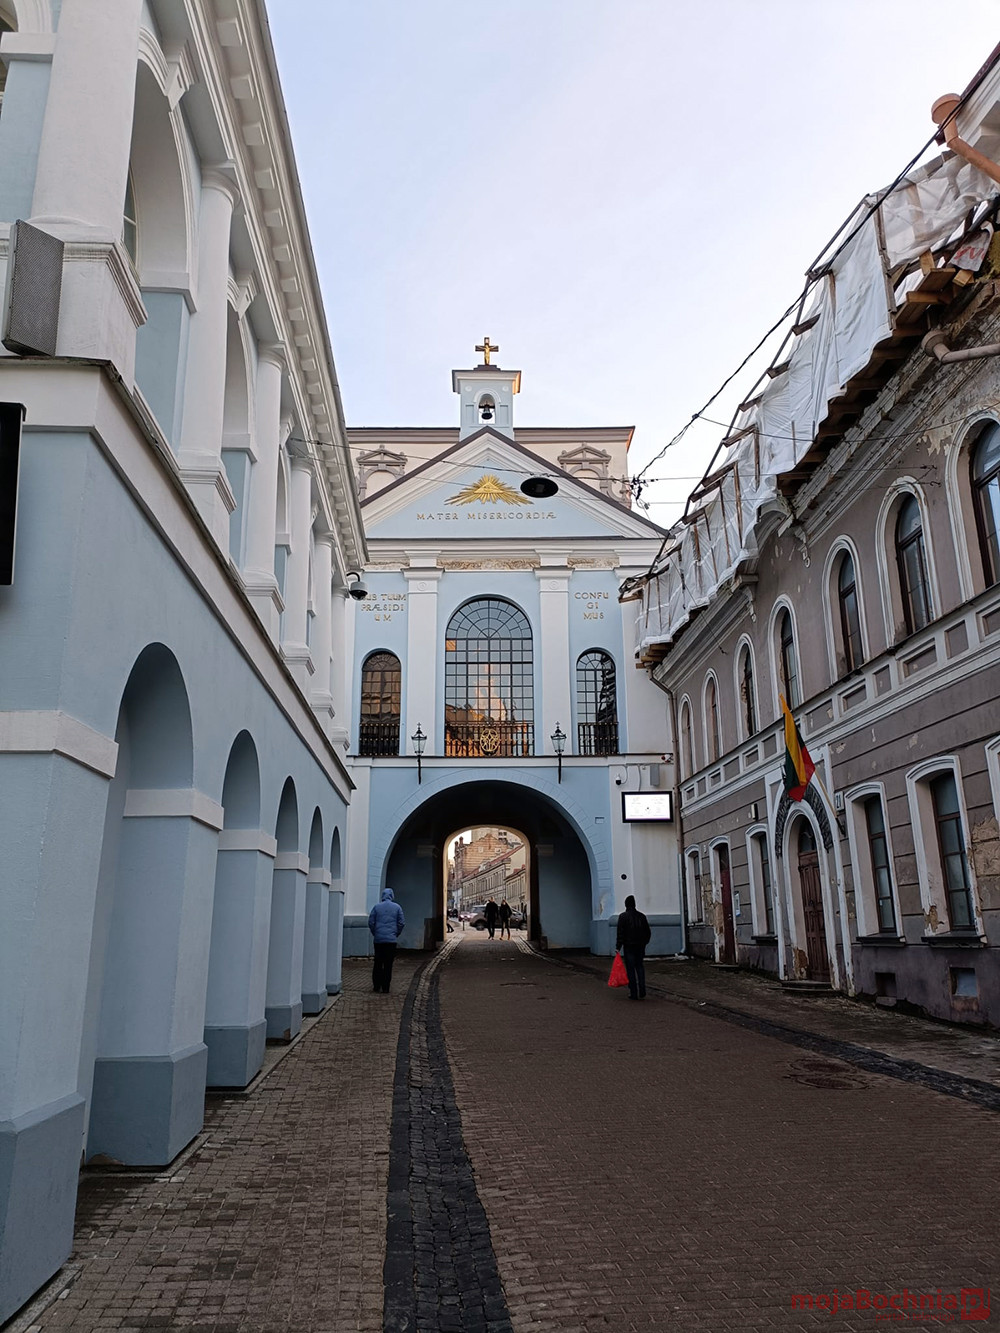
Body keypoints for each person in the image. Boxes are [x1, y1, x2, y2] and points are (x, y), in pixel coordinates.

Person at [615, 894, 651, 1000]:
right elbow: (648, 932)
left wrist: (618, 947)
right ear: (634, 904)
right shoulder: (642, 916)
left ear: (626, 905)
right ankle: (642, 990)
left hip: (629, 946)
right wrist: (644, 943)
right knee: (640, 967)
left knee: (630, 969)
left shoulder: (623, 917)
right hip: (640, 946)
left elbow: (620, 934)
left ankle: (633, 992)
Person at [368, 887, 405, 993]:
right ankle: (386, 987)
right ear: (392, 896)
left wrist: (375, 933)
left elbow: (371, 922)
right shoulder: (397, 907)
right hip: (391, 941)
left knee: (378, 963)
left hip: (379, 940)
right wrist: (396, 933)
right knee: (388, 964)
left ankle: (376, 986)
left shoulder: (376, 907)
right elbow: (401, 923)